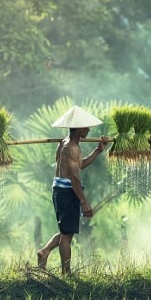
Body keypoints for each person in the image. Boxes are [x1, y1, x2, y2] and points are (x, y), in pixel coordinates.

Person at [37, 105, 108, 275]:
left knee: (65, 231)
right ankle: (66, 273)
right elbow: (75, 178)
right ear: (78, 129)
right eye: (86, 126)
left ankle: (44, 252)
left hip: (60, 190)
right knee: (67, 236)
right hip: (67, 191)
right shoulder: (72, 148)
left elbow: (80, 165)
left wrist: (98, 151)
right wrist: (84, 202)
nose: (89, 129)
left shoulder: (64, 143)